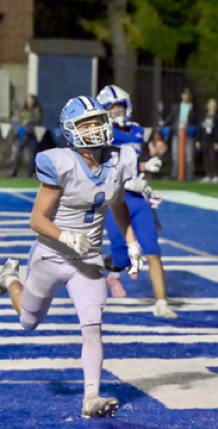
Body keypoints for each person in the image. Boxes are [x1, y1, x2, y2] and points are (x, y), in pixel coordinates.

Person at [0, 95, 144, 418]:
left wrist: (131, 241)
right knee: (28, 321)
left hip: (88, 260)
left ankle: (90, 398)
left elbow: (118, 203)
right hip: (51, 255)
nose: (95, 129)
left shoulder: (117, 160)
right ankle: (8, 278)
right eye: (86, 124)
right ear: (71, 131)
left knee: (92, 325)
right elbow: (36, 220)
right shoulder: (61, 163)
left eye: (97, 121)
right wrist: (66, 236)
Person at [96, 84, 177, 319]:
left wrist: (144, 173)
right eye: (111, 108)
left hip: (138, 200)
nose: (117, 112)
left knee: (153, 250)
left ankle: (161, 302)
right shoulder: (101, 134)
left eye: (120, 107)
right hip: (115, 200)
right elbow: (106, 168)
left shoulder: (137, 131)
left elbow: (130, 164)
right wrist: (132, 176)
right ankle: (110, 271)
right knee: (121, 258)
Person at [163, 87, 197, 180]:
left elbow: (196, 120)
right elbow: (171, 117)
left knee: (189, 154)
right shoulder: (176, 107)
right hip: (177, 132)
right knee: (175, 154)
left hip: (188, 133)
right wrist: (164, 124)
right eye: (184, 94)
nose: (186, 96)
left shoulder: (193, 108)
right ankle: (175, 174)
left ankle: (189, 175)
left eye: (188, 94)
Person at [10, 94, 43, 177]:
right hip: (21, 135)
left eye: (31, 99)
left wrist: (27, 121)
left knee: (31, 155)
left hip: (32, 134)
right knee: (17, 154)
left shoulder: (37, 110)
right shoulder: (22, 110)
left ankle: (30, 173)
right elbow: (16, 119)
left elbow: (37, 120)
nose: (29, 101)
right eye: (28, 99)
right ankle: (14, 172)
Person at [195, 98, 218, 183]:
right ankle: (208, 175)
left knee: (214, 157)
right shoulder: (203, 117)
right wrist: (197, 140)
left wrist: (217, 141)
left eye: (214, 105)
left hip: (213, 140)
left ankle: (215, 175)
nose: (212, 106)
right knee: (206, 157)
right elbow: (199, 129)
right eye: (211, 105)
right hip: (204, 139)